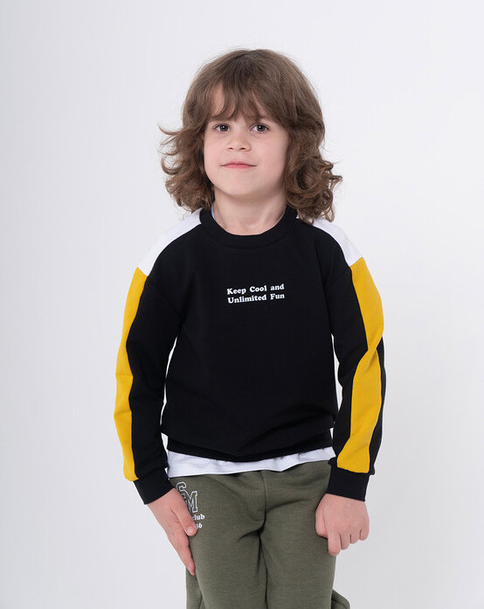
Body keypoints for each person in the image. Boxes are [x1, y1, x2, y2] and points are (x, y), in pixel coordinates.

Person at [114, 48, 385, 609]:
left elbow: (364, 365)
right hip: (204, 478)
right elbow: (136, 375)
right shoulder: (171, 259)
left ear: (295, 144)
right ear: (199, 143)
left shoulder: (329, 252)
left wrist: (349, 482)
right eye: (222, 127)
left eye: (259, 126)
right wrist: (153, 485)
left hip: (307, 475)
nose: (238, 142)